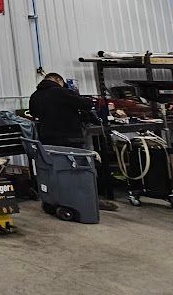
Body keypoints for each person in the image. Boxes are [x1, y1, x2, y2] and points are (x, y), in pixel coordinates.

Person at [28, 72, 117, 210]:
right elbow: (85, 104)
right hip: (69, 138)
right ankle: (84, 200)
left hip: (47, 139)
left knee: (54, 171)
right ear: (58, 80)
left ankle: (53, 201)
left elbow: (34, 113)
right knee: (77, 170)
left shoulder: (35, 96)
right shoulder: (62, 92)